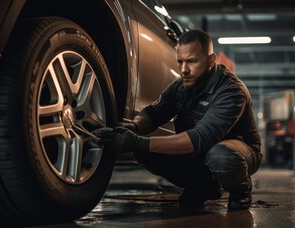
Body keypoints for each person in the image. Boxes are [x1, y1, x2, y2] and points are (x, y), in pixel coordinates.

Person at [93, 29, 262, 210]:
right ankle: (201, 185)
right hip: (200, 153)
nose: (183, 70)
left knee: (220, 156)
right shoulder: (180, 87)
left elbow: (198, 139)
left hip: (239, 152)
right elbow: (153, 113)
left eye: (191, 61)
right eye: (180, 62)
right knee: (144, 151)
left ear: (211, 61)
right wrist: (134, 126)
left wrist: (138, 142)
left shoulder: (231, 91)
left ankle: (240, 193)